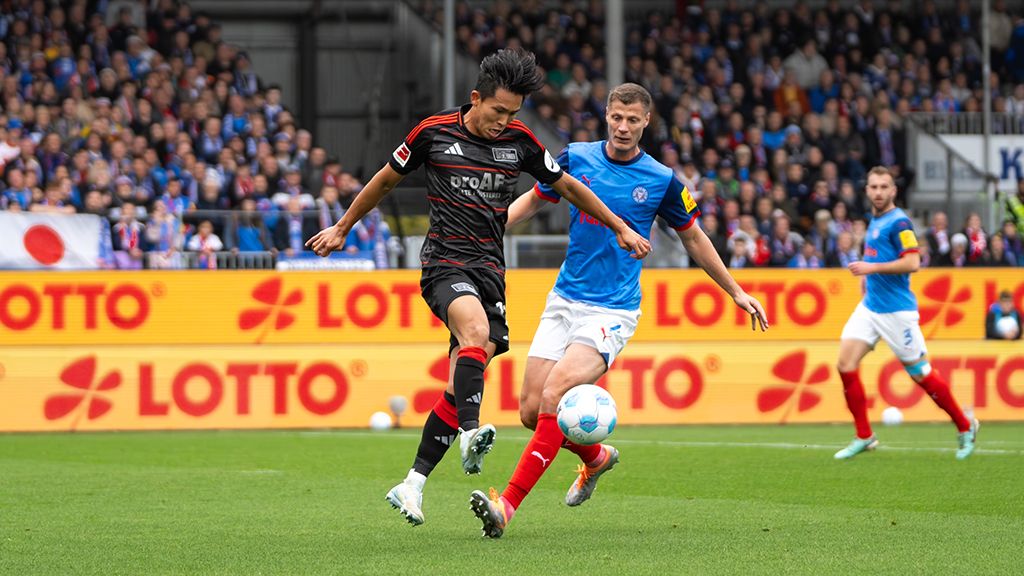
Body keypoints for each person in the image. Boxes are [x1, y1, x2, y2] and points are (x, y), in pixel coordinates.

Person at [305, 49, 651, 526]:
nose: (503, 122)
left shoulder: (520, 141)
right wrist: (343, 227)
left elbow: (568, 187)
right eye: (498, 111)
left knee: (460, 381)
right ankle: (471, 433)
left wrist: (619, 226)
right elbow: (384, 182)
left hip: (490, 271)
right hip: (445, 263)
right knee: (474, 332)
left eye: (513, 113)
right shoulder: (432, 133)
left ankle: (413, 483)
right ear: (475, 98)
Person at [466, 83, 768, 539]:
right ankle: (596, 457)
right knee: (530, 412)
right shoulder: (575, 157)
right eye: (617, 118)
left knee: (554, 395)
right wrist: (487, 228)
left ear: (646, 122)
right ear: (606, 116)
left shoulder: (662, 180)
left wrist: (735, 291)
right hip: (564, 299)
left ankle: (505, 506)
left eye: (632, 120)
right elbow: (535, 199)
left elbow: (693, 237)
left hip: (612, 310)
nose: (623, 127)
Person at [834, 167, 977, 461]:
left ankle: (965, 425)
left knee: (920, 373)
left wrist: (871, 268)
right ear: (867, 190)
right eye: (873, 187)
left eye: (883, 187)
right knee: (845, 364)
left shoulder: (900, 223)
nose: (878, 192)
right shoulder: (875, 220)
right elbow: (878, 255)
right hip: (870, 307)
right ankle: (864, 435)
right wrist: (868, 277)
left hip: (897, 312)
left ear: (893, 190)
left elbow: (913, 263)